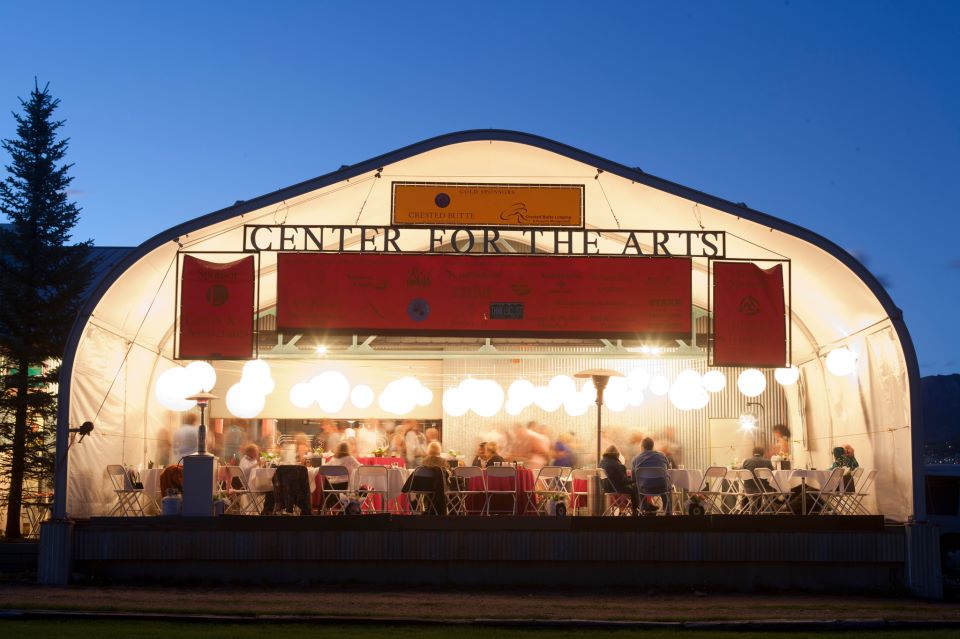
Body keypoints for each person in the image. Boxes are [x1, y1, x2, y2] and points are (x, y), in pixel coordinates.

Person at [631, 437, 672, 514]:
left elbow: (634, 479)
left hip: (644, 488)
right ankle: (668, 511)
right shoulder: (662, 456)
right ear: (653, 447)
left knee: (636, 485)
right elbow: (669, 471)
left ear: (642, 447)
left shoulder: (635, 459)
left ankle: (645, 509)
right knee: (667, 485)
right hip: (661, 487)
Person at [599, 445, 636, 511]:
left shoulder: (601, 463)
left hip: (605, 488)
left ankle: (643, 507)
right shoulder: (617, 464)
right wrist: (633, 480)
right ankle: (637, 511)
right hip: (616, 489)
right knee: (635, 489)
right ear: (617, 454)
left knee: (633, 487)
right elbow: (623, 481)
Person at [741, 446, 774, 511]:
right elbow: (772, 473)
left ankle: (753, 511)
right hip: (765, 489)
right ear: (763, 453)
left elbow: (741, 473)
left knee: (753, 502)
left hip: (749, 489)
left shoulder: (746, 461)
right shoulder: (768, 461)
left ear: (753, 453)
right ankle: (767, 511)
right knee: (768, 499)